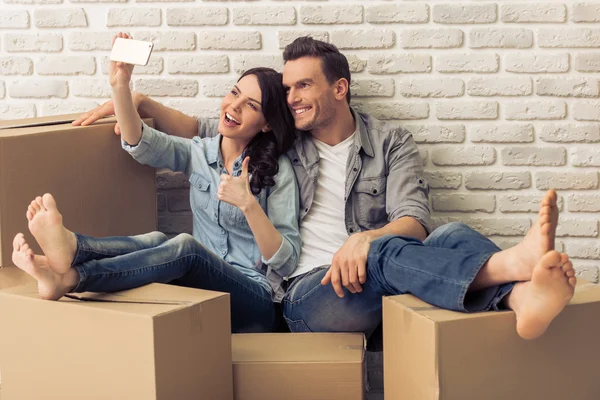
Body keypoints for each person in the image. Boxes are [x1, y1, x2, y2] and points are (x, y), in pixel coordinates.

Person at [72, 36, 577, 340]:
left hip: (372, 277)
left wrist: (365, 238)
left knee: (451, 232)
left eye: (302, 87)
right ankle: (507, 268)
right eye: (286, 89)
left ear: (339, 88)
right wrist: (137, 98)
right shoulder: (283, 142)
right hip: (304, 294)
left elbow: (416, 219)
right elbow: (210, 130)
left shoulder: (389, 141)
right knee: (387, 250)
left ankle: (518, 300)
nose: (290, 98)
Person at [11, 33, 301, 334]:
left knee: (186, 247)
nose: (234, 105)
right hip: (204, 292)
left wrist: (248, 205)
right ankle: (71, 250)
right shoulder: (199, 152)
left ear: (267, 123)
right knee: (157, 238)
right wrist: (120, 85)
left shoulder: (276, 171)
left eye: (250, 105)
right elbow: (140, 141)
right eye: (234, 92)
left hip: (255, 302)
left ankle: (72, 278)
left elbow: (286, 260)